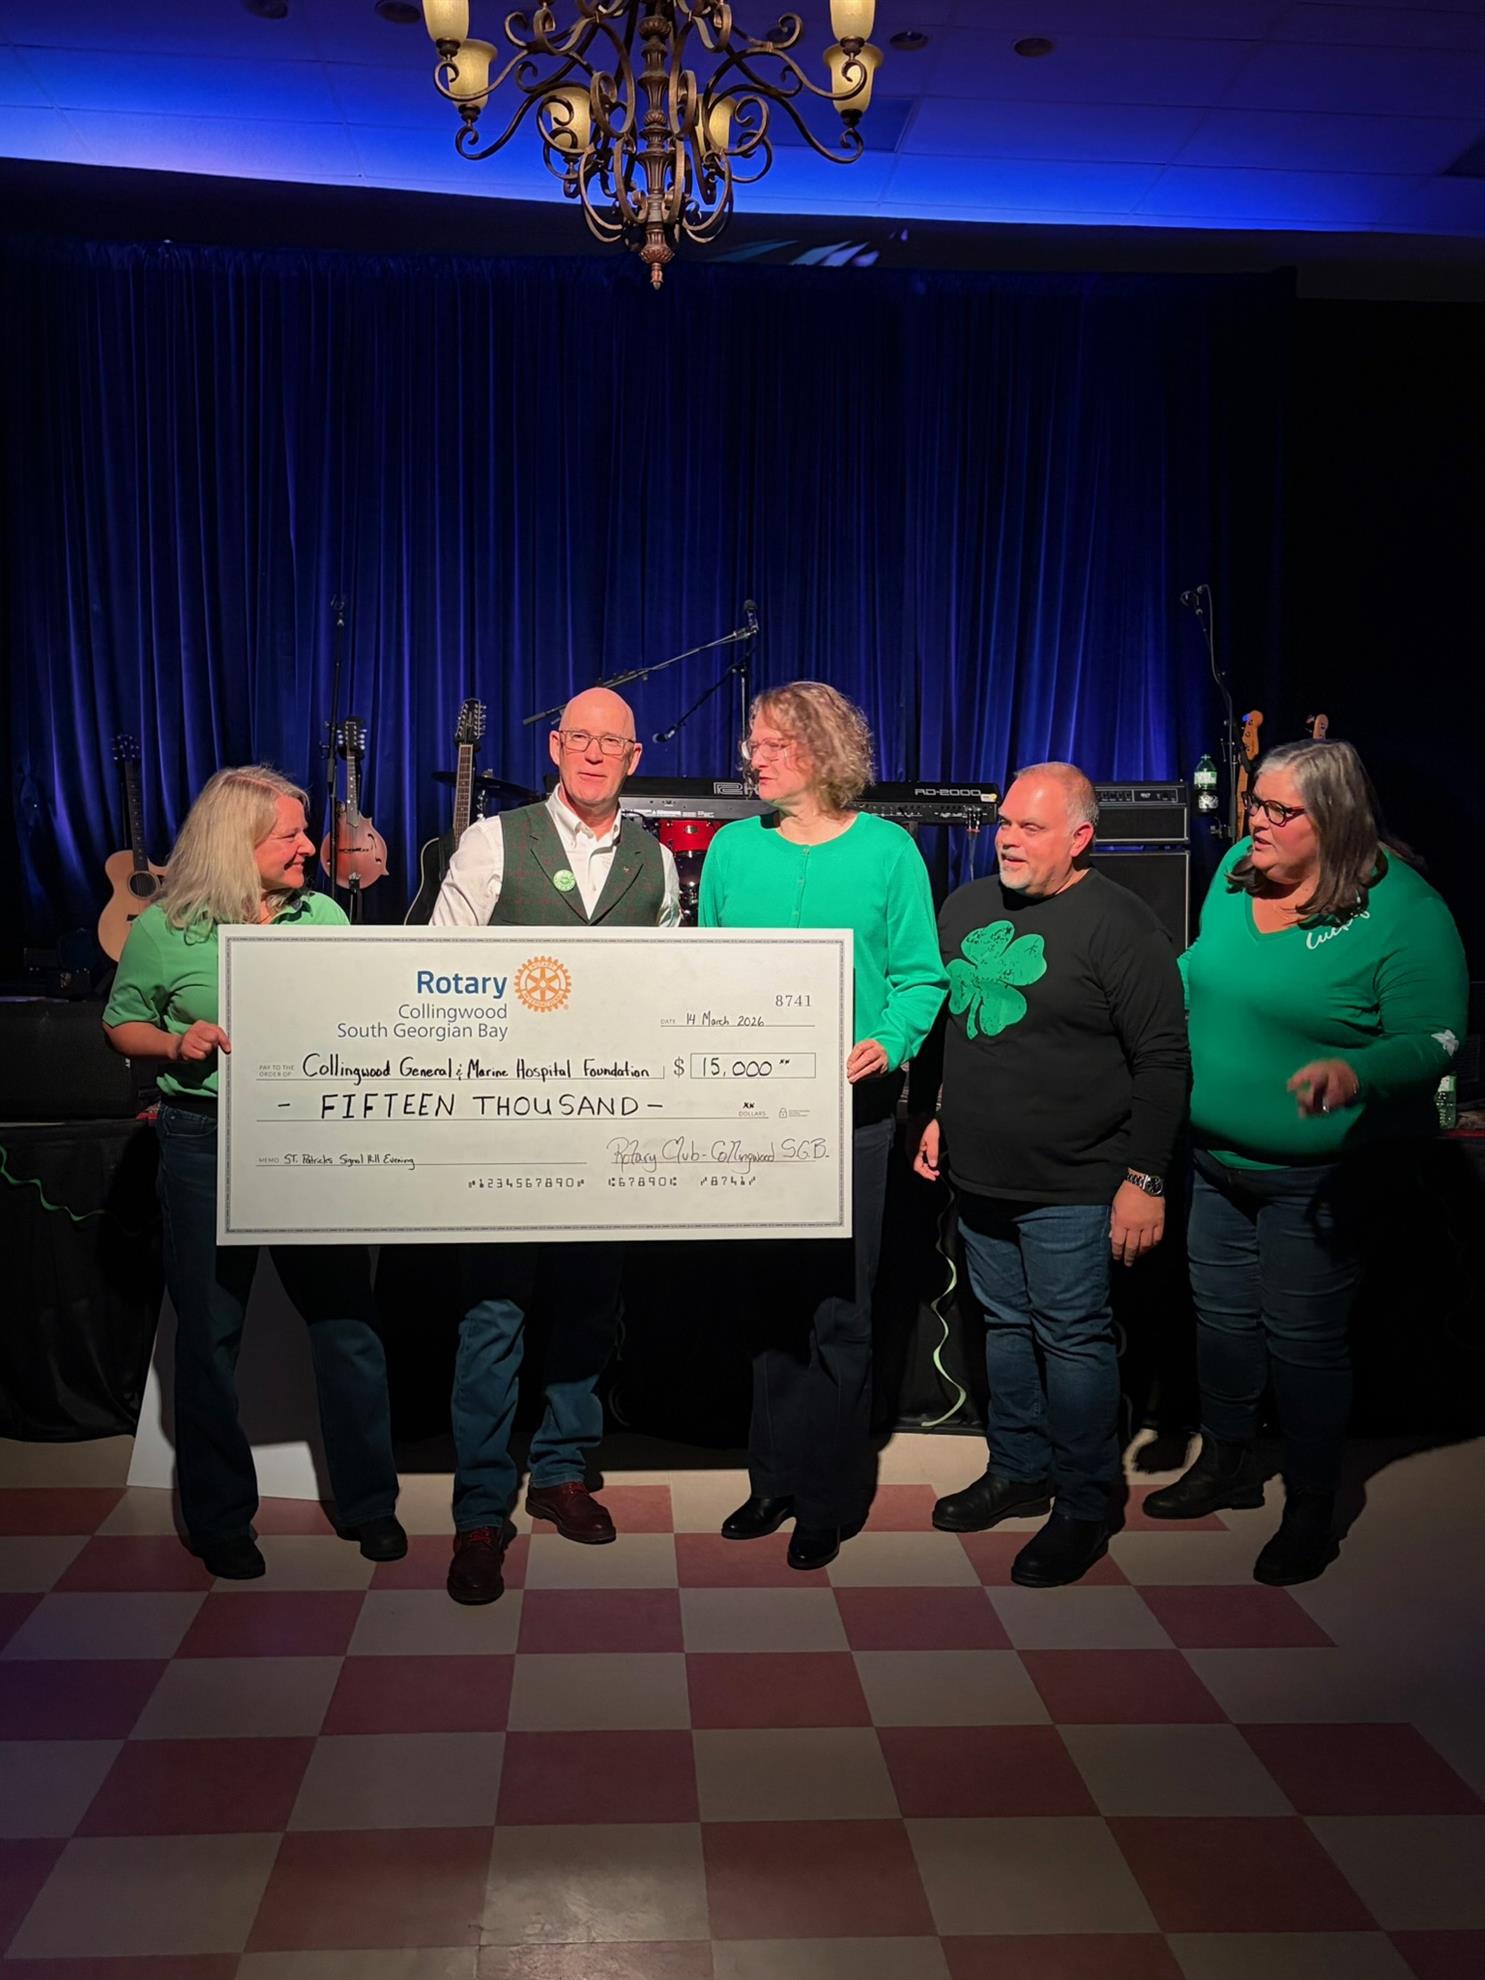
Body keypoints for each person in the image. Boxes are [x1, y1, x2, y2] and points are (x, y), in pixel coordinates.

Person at [1145, 738, 1468, 1584]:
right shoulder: (1236, 873)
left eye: (1277, 810)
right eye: (1253, 802)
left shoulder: (1404, 912)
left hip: (1319, 1178)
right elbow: (1205, 969)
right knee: (1220, 1320)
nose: (1254, 821)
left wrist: (1357, 1071)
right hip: (1214, 1158)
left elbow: (1436, 1037)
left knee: (1302, 1341)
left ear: (1333, 819)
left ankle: (1311, 1506)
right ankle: (1226, 1462)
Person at [102, 766, 404, 1581]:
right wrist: (178, 1044)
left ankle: (369, 1503)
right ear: (236, 844)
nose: (310, 847)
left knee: (346, 1325)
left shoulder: (325, 916)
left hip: (309, 1139)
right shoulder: (165, 928)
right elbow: (122, 1023)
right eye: (291, 836)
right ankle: (220, 1518)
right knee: (208, 1336)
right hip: (205, 1141)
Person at [431, 686, 681, 1604]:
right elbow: (437, 969)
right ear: (554, 746)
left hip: (604, 1125)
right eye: (580, 738)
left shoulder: (656, 860)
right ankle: (479, 1509)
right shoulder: (493, 841)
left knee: (586, 1304)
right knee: (493, 1313)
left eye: (612, 742)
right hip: (502, 1122)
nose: (594, 753)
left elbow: (669, 985)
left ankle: (565, 1472)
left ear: (634, 757)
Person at [914, 763, 1189, 1588]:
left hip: (1075, 1181)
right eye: (1004, 823)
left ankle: (1083, 1501)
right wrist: (937, 1112)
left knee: (1070, 1338)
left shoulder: (1120, 924)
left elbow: (1163, 1060)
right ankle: (1018, 1470)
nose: (1007, 839)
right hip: (980, 1176)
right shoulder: (965, 906)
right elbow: (956, 1032)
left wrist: (1145, 1177)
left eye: (1029, 827)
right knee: (1002, 1328)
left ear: (1079, 838)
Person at [699, 682, 948, 1571]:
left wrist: (889, 1040)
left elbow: (920, 978)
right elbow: (704, 976)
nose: (753, 758)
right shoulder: (732, 849)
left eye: (773, 744)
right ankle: (770, 1480)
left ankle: (827, 1499)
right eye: (752, 743)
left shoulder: (888, 852)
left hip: (854, 1120)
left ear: (822, 751)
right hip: (753, 1116)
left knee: (840, 1314)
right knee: (768, 1309)